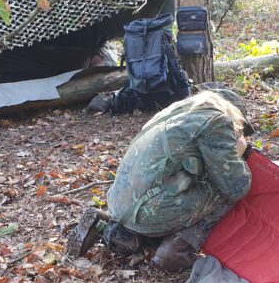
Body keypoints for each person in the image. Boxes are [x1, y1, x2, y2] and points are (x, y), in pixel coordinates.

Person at [102, 88, 253, 272]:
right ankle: (176, 250)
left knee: (189, 180)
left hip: (120, 205)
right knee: (222, 187)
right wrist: (239, 154)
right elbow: (236, 186)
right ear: (234, 113)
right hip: (149, 211)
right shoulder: (216, 122)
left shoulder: (173, 113)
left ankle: (129, 234)